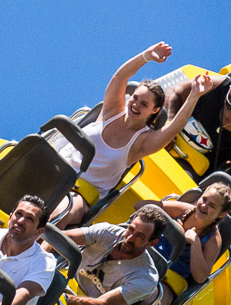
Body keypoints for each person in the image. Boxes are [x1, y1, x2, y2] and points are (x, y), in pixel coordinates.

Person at [58, 43, 213, 226]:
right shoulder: (112, 110)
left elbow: (173, 129)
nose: (135, 105)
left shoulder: (142, 142)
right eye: (135, 98)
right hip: (57, 168)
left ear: (155, 110)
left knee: (59, 212)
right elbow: (120, 77)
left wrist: (194, 95)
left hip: (80, 191)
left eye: (144, 105)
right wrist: (145, 56)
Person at [120, 184, 230, 305]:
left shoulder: (213, 240)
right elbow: (140, 206)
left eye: (212, 205)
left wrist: (196, 244)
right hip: (148, 259)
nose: (204, 205)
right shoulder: (183, 210)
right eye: (204, 199)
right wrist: (164, 222)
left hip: (169, 279)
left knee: (152, 301)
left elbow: (200, 277)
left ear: (221, 214)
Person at [62, 206, 165, 305]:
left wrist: (61, 299)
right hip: (66, 287)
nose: (130, 238)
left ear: (152, 243)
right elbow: (62, 239)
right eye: (131, 229)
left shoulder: (146, 277)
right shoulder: (108, 232)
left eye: (139, 236)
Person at [167, 70, 231, 178]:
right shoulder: (216, 85)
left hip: (191, 175)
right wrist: (168, 127)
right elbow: (175, 92)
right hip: (161, 141)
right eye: (229, 105)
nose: (228, 115)